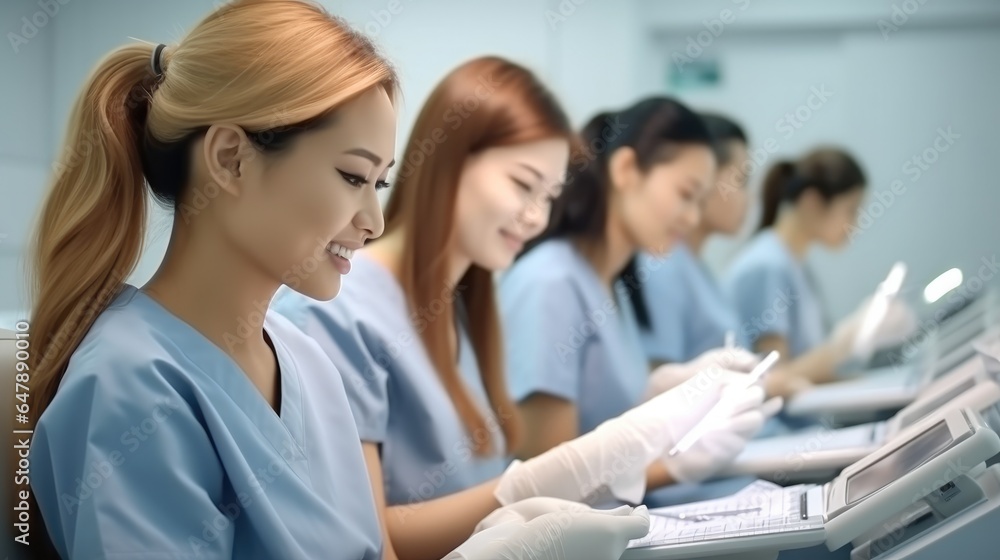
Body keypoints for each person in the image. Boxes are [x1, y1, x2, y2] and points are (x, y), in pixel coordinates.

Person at [19, 3, 649, 559]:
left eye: (380, 184)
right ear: (231, 158)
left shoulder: (307, 364)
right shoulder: (129, 388)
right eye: (352, 177)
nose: (373, 221)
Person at [273, 61, 770, 560]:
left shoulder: (461, 304)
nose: (536, 216)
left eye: (549, 195)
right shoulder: (337, 308)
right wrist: (567, 473)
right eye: (522, 184)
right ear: (450, 160)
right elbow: (378, 540)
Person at [498, 98, 781, 493]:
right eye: (685, 194)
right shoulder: (551, 284)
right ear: (626, 169)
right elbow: (546, 485)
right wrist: (676, 465)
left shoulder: (611, 284)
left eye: (701, 202)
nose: (692, 219)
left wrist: (665, 395)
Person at [635, 114, 808, 398]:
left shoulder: (697, 267)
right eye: (740, 181)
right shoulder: (661, 266)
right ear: (704, 176)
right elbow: (658, 393)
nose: (750, 199)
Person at [725, 148, 915, 388]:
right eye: (851, 210)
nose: (855, 224)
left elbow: (806, 371)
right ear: (812, 202)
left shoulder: (795, 264)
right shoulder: (767, 267)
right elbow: (774, 381)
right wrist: (845, 344)